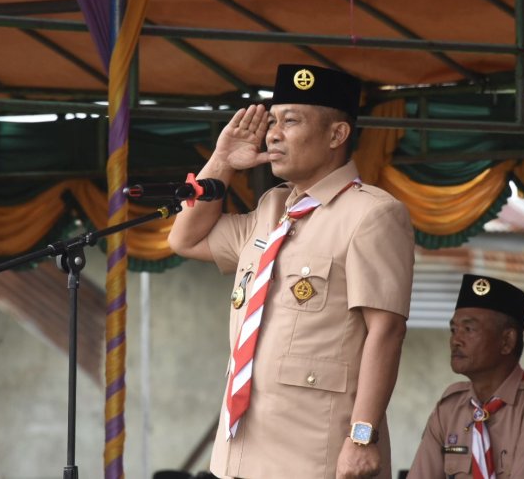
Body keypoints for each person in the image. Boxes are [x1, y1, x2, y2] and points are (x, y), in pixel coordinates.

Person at [168, 64, 415, 479]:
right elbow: (185, 240)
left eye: (291, 121)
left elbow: (386, 331)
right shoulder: (270, 208)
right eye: (273, 121)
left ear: (337, 135)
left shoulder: (371, 214)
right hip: (241, 447)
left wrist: (361, 437)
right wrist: (223, 160)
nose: (273, 134)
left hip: (315, 452)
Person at [407, 274, 524, 478]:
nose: (455, 340)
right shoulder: (450, 407)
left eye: (469, 329)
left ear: (507, 341)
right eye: (453, 329)